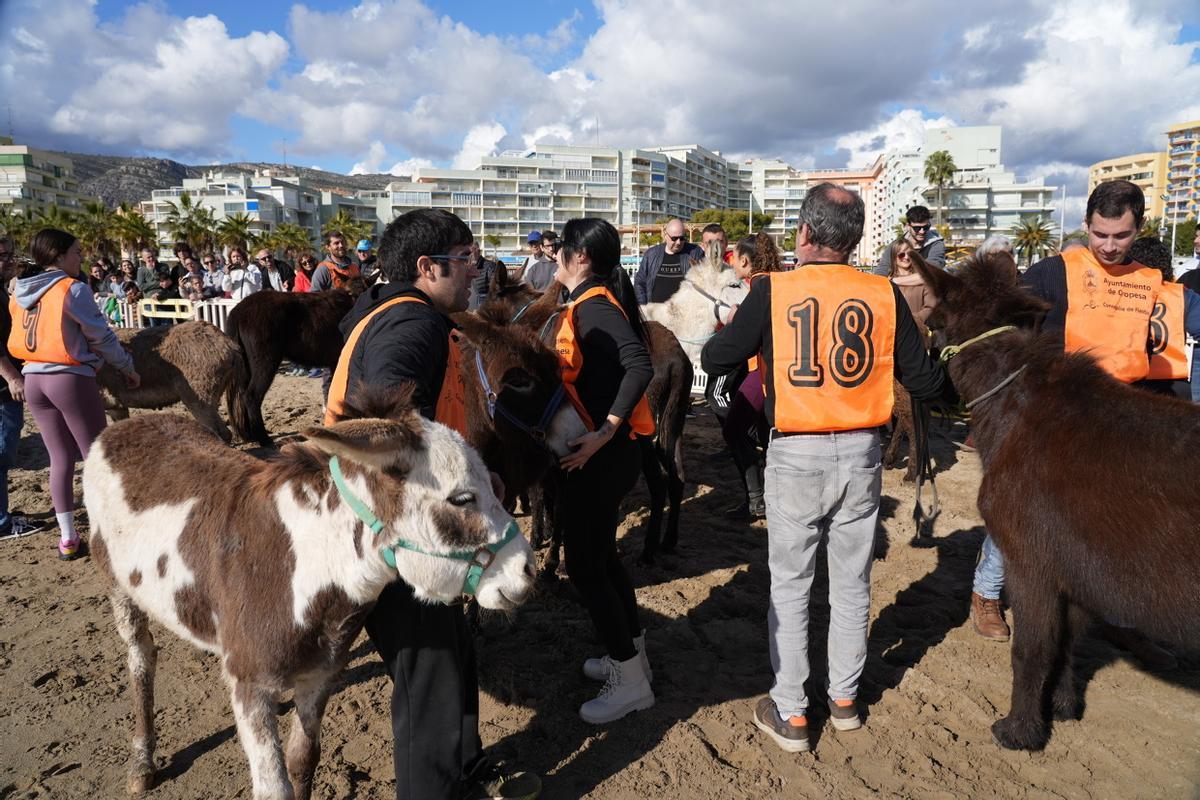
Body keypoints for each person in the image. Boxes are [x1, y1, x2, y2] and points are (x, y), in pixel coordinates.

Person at [701, 184, 946, 753]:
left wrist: (747, 327)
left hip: (797, 450)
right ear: (856, 239)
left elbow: (717, 358)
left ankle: (791, 712)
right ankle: (843, 700)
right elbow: (927, 382)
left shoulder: (774, 290)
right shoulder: (883, 293)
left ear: (805, 235)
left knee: (790, 586)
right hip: (861, 452)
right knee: (852, 583)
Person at [325, 208, 539, 800]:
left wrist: (472, 472)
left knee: (451, 650)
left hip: (389, 517)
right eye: (466, 258)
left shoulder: (381, 310)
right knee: (429, 674)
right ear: (428, 267)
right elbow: (382, 427)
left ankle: (465, 769)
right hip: (403, 529)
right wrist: (454, 488)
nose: (476, 271)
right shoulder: (412, 326)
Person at [970, 180, 1200, 665]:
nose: (1109, 246)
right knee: (1019, 513)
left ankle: (1119, 619)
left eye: (1121, 236)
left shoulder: (1153, 281)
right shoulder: (1054, 273)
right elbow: (1005, 326)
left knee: (1119, 527)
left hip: (1120, 426)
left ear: (1138, 229)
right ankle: (986, 593)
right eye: (1100, 234)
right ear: (1086, 225)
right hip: (1052, 423)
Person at [552, 218, 656, 724]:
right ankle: (631, 656)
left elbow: (640, 364)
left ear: (581, 258)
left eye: (560, 250)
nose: (554, 257)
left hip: (600, 456)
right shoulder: (592, 303)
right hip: (604, 455)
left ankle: (630, 681)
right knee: (604, 559)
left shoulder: (594, 306)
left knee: (587, 568)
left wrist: (606, 429)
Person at [10, 229, 140, 560]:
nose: (80, 257)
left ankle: (68, 538)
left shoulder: (20, 290)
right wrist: (126, 366)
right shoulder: (73, 289)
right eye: (76, 252)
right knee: (97, 455)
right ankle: (113, 530)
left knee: (59, 458)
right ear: (58, 255)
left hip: (33, 378)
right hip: (68, 378)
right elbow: (101, 336)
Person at [719, 232, 780, 519]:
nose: (731, 261)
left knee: (733, 430)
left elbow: (744, 338)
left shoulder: (758, 287)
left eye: (733, 257)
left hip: (764, 371)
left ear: (745, 260)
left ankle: (757, 500)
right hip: (783, 372)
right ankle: (768, 496)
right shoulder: (779, 282)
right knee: (766, 432)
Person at [0, 236, 44, 540]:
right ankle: (1, 522)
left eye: (9, 254)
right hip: (4, 389)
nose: (8, 260)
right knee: (2, 453)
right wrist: (12, 377)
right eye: (2, 255)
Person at [633, 218, 705, 304]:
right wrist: (643, 307)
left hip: (684, 314)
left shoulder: (695, 252)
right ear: (665, 236)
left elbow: (703, 282)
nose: (678, 242)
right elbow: (640, 283)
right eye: (674, 238)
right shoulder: (651, 254)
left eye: (682, 238)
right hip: (655, 314)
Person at [875, 205, 946, 275]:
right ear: (908, 226)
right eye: (917, 228)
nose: (922, 231)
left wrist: (896, 281)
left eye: (926, 227)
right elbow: (882, 270)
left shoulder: (936, 244)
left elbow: (930, 271)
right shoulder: (896, 245)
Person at [886, 239, 937, 325]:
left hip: (918, 330)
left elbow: (930, 306)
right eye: (901, 255)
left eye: (909, 253)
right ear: (894, 257)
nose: (906, 257)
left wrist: (914, 320)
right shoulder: (887, 283)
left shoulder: (922, 280)